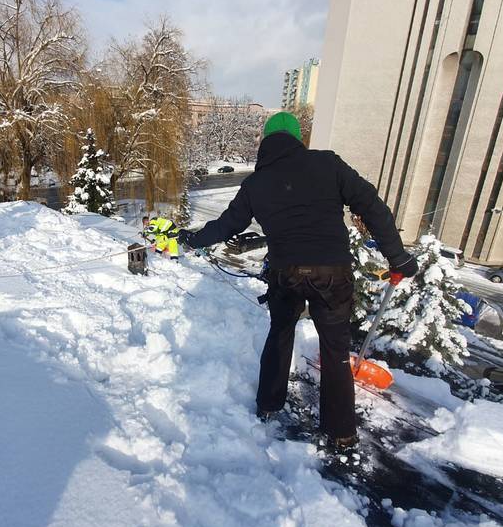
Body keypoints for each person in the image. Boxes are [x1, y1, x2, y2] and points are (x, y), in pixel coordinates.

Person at [178, 111, 417, 449]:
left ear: (266, 142)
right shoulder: (328, 164)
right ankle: (341, 433)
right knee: (334, 349)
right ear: (297, 139)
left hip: (285, 274)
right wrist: (398, 257)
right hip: (331, 274)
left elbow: (227, 224)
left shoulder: (256, 183)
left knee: (280, 332)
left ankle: (268, 405)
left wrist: (193, 239)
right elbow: (372, 206)